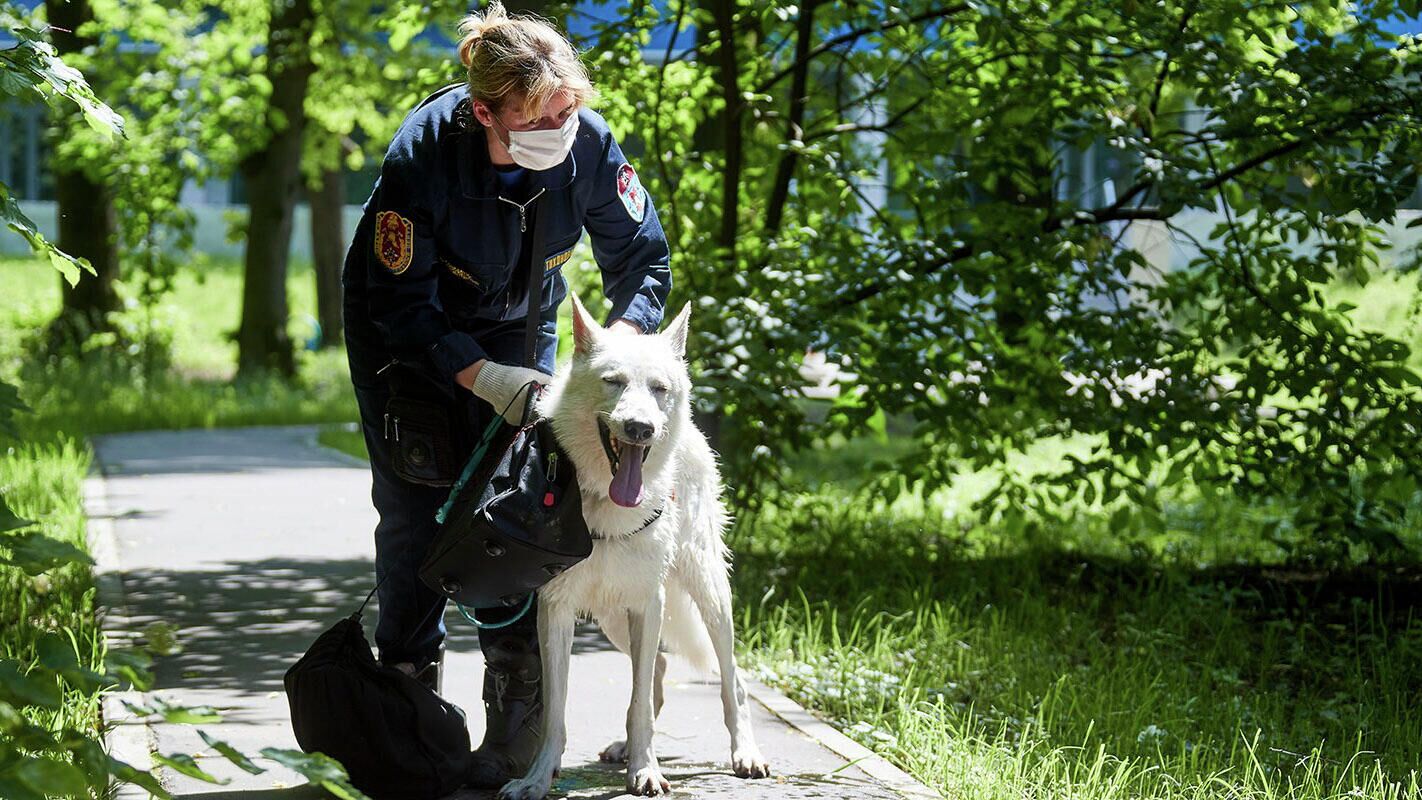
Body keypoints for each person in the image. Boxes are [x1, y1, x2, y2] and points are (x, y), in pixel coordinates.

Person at [340, 1, 672, 786]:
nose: (561, 126)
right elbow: (401, 306)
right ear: (484, 112)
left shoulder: (588, 145)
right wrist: (483, 380)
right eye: (540, 117)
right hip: (409, 333)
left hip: (525, 324)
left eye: (569, 108)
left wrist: (618, 349)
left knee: (526, 503)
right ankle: (411, 701)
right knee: (420, 505)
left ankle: (517, 699)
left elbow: (644, 261)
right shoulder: (421, 157)